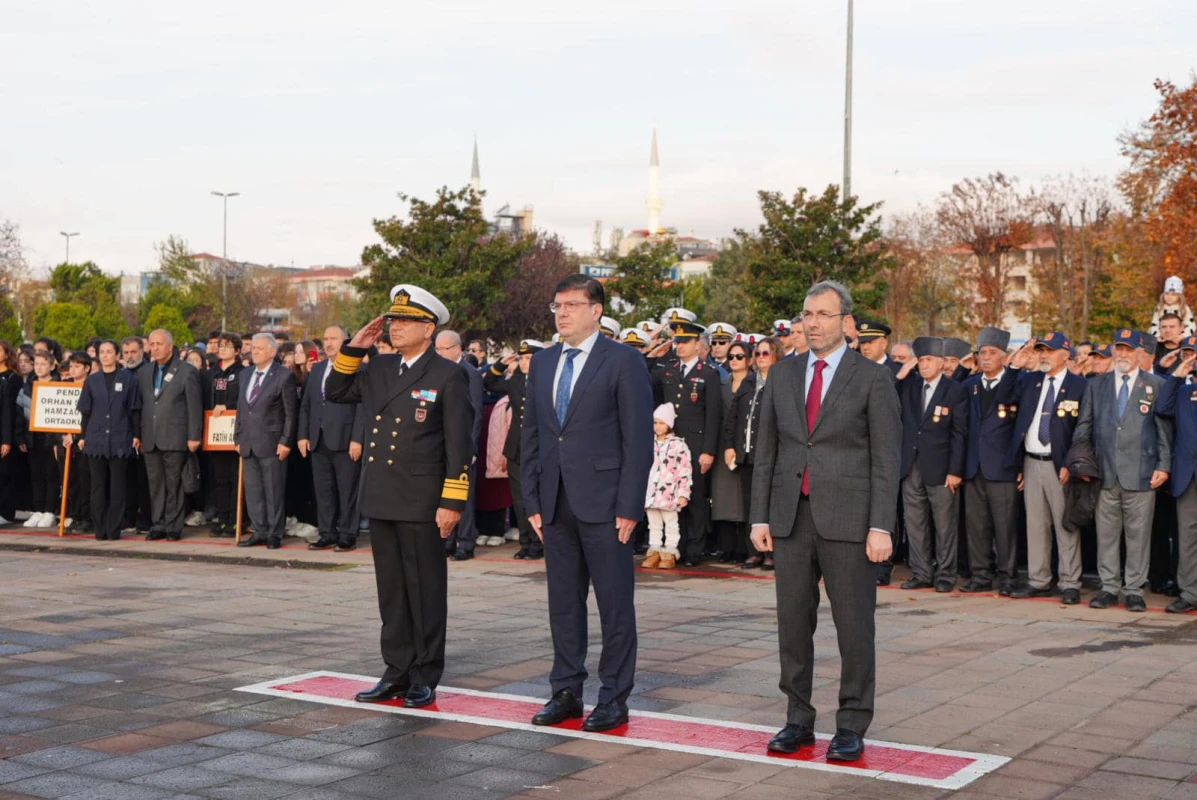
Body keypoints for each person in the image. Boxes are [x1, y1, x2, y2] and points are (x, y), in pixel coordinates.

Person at [750, 280, 901, 763]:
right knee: (793, 625)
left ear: (846, 323)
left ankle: (852, 723)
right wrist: (760, 517)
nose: (812, 323)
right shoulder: (784, 374)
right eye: (807, 314)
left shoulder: (872, 378)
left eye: (822, 314)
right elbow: (769, 452)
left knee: (854, 627)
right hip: (791, 518)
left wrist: (881, 525)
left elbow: (886, 459)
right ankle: (797, 719)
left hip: (851, 522)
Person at [328, 284, 474, 709]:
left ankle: (425, 674)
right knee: (391, 590)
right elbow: (335, 391)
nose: (395, 326)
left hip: (424, 498)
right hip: (383, 493)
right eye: (392, 319)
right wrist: (356, 347)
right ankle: (396, 670)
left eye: (405, 321)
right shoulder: (379, 369)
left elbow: (458, 444)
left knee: (425, 588)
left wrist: (452, 501)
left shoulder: (448, 374)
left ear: (429, 329)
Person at [522, 273, 653, 733]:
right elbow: (534, 435)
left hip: (606, 504)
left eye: (572, 305)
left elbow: (638, 440)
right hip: (555, 503)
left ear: (596, 311)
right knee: (564, 604)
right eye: (557, 305)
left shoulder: (622, 361)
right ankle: (566, 691)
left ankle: (614, 696)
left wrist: (630, 505)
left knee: (615, 605)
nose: (562, 313)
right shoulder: (541, 362)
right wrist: (533, 498)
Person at [1073, 329, 1172, 612]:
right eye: (1120, 348)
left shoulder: (1156, 384)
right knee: (1106, 534)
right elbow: (1084, 425)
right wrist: (1081, 460)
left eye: (1129, 349)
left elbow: (1164, 430)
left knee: (1138, 536)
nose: (1124, 354)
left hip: (1142, 473)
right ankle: (1108, 587)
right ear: (1114, 351)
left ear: (1140, 352)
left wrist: (1164, 466)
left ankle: (1134, 589)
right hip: (1104, 473)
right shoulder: (1097, 384)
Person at [895, 337, 968, 592]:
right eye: (921, 360)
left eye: (929, 360)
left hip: (941, 466)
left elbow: (960, 433)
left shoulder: (955, 390)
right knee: (914, 522)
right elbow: (887, 399)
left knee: (945, 524)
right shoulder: (910, 386)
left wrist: (955, 470)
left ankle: (946, 574)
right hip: (911, 464)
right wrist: (902, 374)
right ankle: (921, 572)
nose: (924, 365)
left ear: (941, 362)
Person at [646, 317, 721, 566]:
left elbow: (713, 416)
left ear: (697, 343)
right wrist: (653, 352)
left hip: (695, 446)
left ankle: (694, 550)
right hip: (669, 447)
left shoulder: (707, 374)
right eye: (677, 342)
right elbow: (646, 375)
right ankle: (673, 548)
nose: (680, 346)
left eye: (685, 342)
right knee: (670, 500)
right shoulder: (668, 371)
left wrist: (708, 450)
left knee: (695, 499)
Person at [959, 328, 1021, 595]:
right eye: (982, 353)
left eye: (992, 353)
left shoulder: (1017, 383)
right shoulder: (969, 386)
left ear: (1004, 357)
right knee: (976, 526)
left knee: (1005, 527)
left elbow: (1021, 428)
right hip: (974, 468)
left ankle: (1007, 578)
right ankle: (980, 575)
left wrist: (1020, 466)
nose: (986, 357)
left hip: (1003, 468)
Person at [298, 326, 365, 552]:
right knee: (323, 490)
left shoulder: (356, 369)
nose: (328, 343)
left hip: (345, 439)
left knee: (348, 490)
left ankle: (347, 534)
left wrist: (358, 438)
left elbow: (362, 407)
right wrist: (303, 434)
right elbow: (307, 404)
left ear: (345, 342)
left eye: (333, 338)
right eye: (325, 338)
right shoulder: (317, 370)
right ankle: (327, 532)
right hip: (318, 438)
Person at [137, 329, 203, 542]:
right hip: (151, 436)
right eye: (152, 344)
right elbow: (142, 405)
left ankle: (173, 527)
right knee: (155, 484)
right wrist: (139, 434)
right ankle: (159, 524)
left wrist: (194, 436)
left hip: (175, 436)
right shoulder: (145, 371)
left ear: (170, 346)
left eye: (159, 344)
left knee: (174, 484)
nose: (154, 348)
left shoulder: (186, 371)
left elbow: (194, 406)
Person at [234, 333, 298, 549]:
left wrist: (286, 441)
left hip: (272, 441)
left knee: (273, 490)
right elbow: (242, 409)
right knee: (253, 491)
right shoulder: (245, 374)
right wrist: (237, 436)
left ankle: (274, 533)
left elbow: (290, 413)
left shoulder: (283, 376)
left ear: (272, 352)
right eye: (253, 347)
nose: (255, 351)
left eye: (260, 348)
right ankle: (258, 530)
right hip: (248, 441)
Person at [482, 339, 543, 559]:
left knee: (537, 497)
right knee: (519, 498)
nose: (524, 362)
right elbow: (489, 382)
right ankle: (525, 543)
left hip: (539, 448)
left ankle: (538, 543)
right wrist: (500, 364)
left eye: (528, 358)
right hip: (516, 448)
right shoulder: (516, 382)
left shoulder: (547, 381)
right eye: (521, 358)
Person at [77, 340, 142, 541]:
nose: (105, 355)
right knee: (97, 486)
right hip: (95, 439)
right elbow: (85, 412)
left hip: (120, 438)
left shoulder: (128, 378)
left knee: (118, 486)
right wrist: (82, 436)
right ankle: (99, 529)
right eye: (102, 352)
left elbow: (134, 410)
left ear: (116, 355)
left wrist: (136, 435)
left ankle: (114, 529)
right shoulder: (92, 380)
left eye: (109, 352)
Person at [435, 330, 485, 557]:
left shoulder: (470, 373)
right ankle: (447, 540)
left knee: (463, 494)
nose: (440, 353)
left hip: (462, 444)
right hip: (440, 444)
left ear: (458, 349)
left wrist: (471, 448)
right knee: (444, 494)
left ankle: (465, 542)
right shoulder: (435, 370)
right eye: (437, 349)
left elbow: (475, 414)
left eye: (444, 348)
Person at [1155, 341, 1197, 613]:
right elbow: (1161, 407)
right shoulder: (1182, 391)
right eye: (1187, 354)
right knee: (1187, 536)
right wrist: (1177, 373)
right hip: (1187, 475)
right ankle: (1190, 592)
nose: (1191, 358)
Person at [201, 333, 244, 536]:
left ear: (237, 350)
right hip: (215, 435)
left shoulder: (243, 373)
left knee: (236, 479)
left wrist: (228, 407)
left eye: (228, 346)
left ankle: (236, 519)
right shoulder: (211, 374)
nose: (223, 348)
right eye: (221, 345)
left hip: (234, 434)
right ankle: (222, 517)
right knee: (219, 478)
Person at [711, 339, 750, 562]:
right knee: (724, 498)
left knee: (744, 499)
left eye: (739, 357)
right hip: (723, 445)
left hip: (745, 445)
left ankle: (743, 549)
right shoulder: (721, 383)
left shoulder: (754, 383)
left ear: (748, 359)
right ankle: (727, 548)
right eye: (731, 357)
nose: (734, 361)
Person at [643, 403, 692, 570]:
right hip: (651, 492)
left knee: (671, 524)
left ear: (669, 424)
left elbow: (684, 470)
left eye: (661, 423)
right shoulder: (648, 443)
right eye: (655, 423)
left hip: (669, 493)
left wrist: (683, 493)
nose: (657, 426)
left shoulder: (678, 445)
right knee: (654, 524)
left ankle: (670, 552)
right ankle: (654, 550)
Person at [19, 351, 61, 528]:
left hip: (51, 438)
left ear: (52, 366)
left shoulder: (59, 385)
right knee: (36, 475)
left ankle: (50, 511)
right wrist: (20, 437)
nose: (39, 367)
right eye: (36, 364)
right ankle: (38, 510)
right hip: (32, 437)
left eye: (43, 364)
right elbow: (19, 414)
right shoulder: (28, 386)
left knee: (51, 474)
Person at [63, 352, 93, 532]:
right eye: (71, 366)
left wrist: (77, 435)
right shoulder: (63, 386)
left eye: (77, 366)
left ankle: (86, 517)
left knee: (85, 480)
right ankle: (74, 515)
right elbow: (54, 416)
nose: (72, 369)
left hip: (85, 441)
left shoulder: (92, 386)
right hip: (64, 442)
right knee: (70, 481)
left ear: (87, 368)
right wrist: (61, 437)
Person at [0, 340, 25, 526]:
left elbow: (9, 410)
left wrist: (7, 440)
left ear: (7, 354)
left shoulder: (13, 378)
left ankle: (6, 513)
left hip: (4, 431)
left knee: (4, 474)